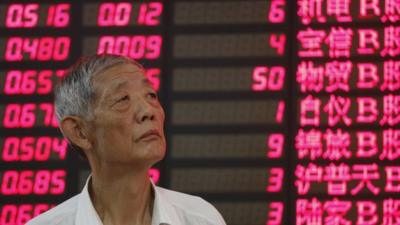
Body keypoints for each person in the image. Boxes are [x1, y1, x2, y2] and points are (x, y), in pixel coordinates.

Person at [27, 55, 227, 225]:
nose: (149, 111)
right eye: (123, 99)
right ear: (79, 132)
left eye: (151, 95)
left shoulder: (200, 218)